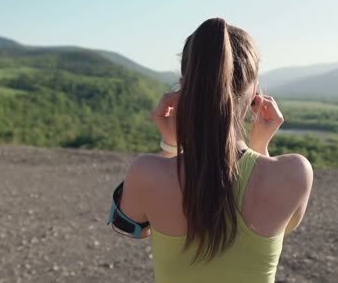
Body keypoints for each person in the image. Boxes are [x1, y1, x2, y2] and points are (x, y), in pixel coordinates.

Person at [115, 18, 313, 283]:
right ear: (255, 92)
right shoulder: (295, 173)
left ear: (185, 89)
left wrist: (170, 146)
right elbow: (276, 224)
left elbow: (130, 227)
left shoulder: (146, 173)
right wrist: (260, 147)